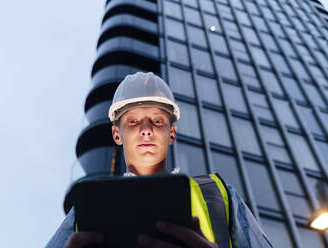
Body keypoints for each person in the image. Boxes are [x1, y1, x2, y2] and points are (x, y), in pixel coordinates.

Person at [45, 72, 273, 248]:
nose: (146, 130)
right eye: (133, 122)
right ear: (117, 135)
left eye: (157, 121)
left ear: (172, 133)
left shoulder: (217, 195)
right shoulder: (88, 210)